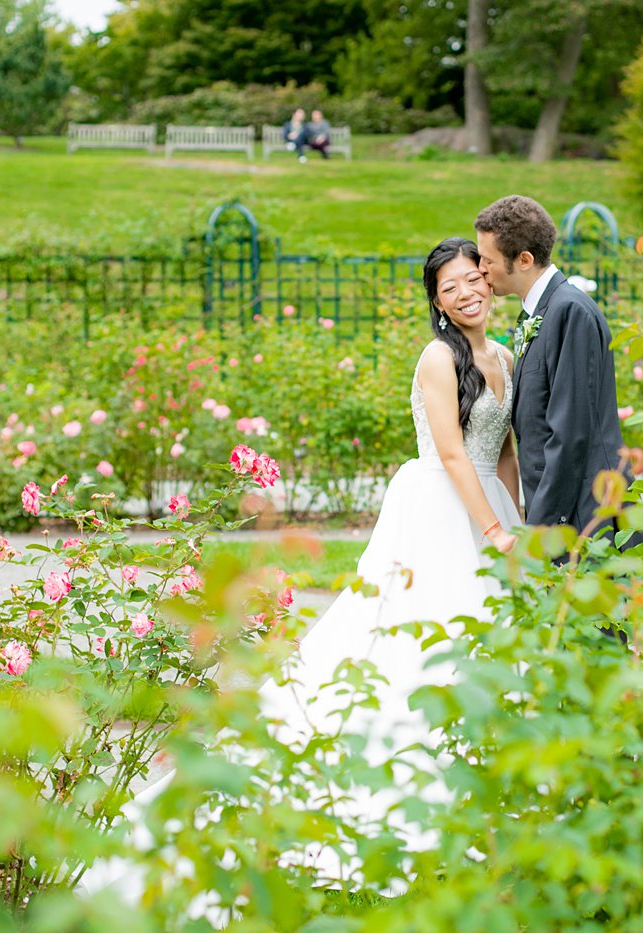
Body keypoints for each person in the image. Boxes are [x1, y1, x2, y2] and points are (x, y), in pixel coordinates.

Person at [78, 236, 521, 912]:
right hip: (439, 503)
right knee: (419, 632)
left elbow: (504, 452)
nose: (467, 292)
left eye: (473, 279)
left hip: (488, 501)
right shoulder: (439, 357)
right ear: (435, 299)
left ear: (488, 280)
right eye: (451, 285)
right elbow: (456, 453)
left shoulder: (504, 356)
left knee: (489, 635)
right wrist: (490, 531)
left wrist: (513, 517)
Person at [474, 195, 628, 539]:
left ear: (524, 259)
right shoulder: (540, 311)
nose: (481, 269)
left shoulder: (569, 311)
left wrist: (542, 528)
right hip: (563, 508)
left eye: (487, 260)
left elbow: (570, 432)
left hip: (581, 515)